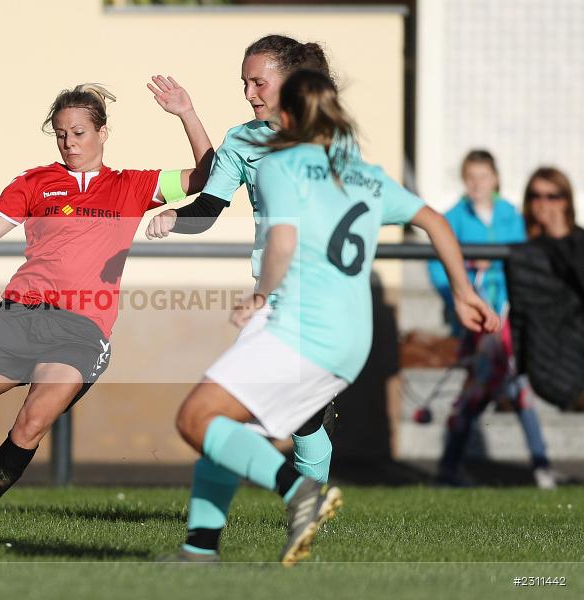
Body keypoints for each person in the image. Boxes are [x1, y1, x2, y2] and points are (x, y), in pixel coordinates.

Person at [167, 69, 499, 565]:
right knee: (231, 425)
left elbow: (282, 242)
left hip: (299, 324)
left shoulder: (283, 166)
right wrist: (463, 291)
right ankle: (199, 550)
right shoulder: (367, 173)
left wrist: (260, 297)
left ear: (289, 114)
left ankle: (300, 492)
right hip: (352, 339)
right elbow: (434, 219)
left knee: (196, 418)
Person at [0, 78, 213, 526]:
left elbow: (210, 176)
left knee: (32, 421)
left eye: (79, 132)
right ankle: (13, 376)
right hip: (17, 319)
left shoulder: (132, 186)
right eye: (61, 133)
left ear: (102, 133)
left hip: (80, 329)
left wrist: (186, 113)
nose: (69, 142)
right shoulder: (35, 183)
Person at [145, 35, 340, 555]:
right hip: (270, 301)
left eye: (260, 81)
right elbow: (208, 208)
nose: (251, 93)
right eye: (245, 84)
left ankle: (283, 508)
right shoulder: (242, 140)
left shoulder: (326, 139)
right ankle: (291, 516)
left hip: (311, 303)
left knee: (217, 417)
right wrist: (173, 216)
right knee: (297, 423)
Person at [427, 150, 557, 489]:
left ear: (495, 179)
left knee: (492, 390)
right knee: (501, 389)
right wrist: (459, 288)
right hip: (476, 322)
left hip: (506, 317)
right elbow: (437, 264)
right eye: (470, 177)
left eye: (483, 177)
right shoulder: (453, 217)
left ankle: (450, 468)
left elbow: (522, 261)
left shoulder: (510, 215)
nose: (476, 184)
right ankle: (539, 464)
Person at [507, 167, 584, 413]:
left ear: (566, 202)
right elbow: (518, 313)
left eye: (553, 196)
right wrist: (518, 368)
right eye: (536, 196)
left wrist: (561, 236)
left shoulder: (579, 243)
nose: (543, 203)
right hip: (546, 360)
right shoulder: (519, 250)